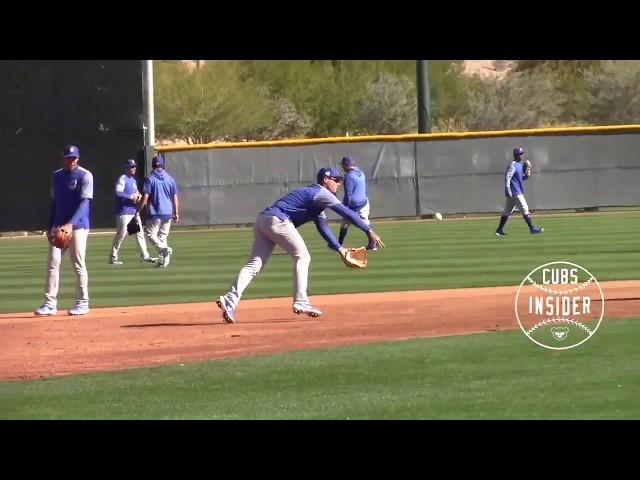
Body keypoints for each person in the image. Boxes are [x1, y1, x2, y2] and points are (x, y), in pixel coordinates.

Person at [216, 166, 385, 324]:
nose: (339, 183)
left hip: (263, 220)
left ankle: (229, 300)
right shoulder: (322, 193)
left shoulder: (317, 201)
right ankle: (301, 302)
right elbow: (345, 212)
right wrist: (368, 229)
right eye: (336, 179)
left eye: (340, 180)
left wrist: (340, 249)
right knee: (303, 256)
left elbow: (323, 227)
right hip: (278, 219)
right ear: (325, 180)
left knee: (254, 264)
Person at [35, 145, 93, 316]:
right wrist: (50, 226)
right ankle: (50, 303)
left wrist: (70, 224)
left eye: (74, 157)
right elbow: (55, 202)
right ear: (63, 158)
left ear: (78, 158)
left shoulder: (85, 175)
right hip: (58, 226)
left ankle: (83, 302)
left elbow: (85, 203)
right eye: (68, 157)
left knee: (78, 264)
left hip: (78, 226)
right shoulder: (57, 176)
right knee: (53, 263)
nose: (72, 160)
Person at [109, 158, 157, 265]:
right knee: (121, 234)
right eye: (131, 166)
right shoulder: (123, 178)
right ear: (126, 167)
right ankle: (113, 257)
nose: (134, 168)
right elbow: (118, 193)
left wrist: (139, 196)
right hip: (124, 212)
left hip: (132, 212)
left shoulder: (133, 180)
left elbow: (136, 193)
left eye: (134, 166)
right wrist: (131, 197)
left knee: (139, 234)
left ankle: (145, 255)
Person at [137, 154, 179, 268]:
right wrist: (176, 212)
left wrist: (139, 209)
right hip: (168, 212)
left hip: (155, 212)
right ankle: (164, 261)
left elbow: (145, 197)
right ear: (163, 165)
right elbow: (175, 197)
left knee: (150, 234)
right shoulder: (170, 179)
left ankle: (164, 250)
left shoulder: (149, 179)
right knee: (162, 237)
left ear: (152, 165)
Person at [495, 147, 544, 236]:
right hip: (515, 192)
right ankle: (532, 228)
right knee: (525, 208)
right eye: (520, 154)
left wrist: (528, 171)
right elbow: (508, 177)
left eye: (522, 153)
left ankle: (499, 230)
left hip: (514, 192)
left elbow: (521, 178)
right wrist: (507, 189)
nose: (522, 155)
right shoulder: (513, 165)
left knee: (506, 212)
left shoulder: (519, 165)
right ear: (516, 155)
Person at [336, 156, 377, 249]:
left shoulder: (349, 176)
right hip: (364, 203)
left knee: (344, 225)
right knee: (366, 224)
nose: (342, 167)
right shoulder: (361, 173)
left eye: (343, 165)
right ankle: (373, 244)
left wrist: (345, 208)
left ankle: (338, 244)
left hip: (353, 206)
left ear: (347, 165)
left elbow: (348, 194)